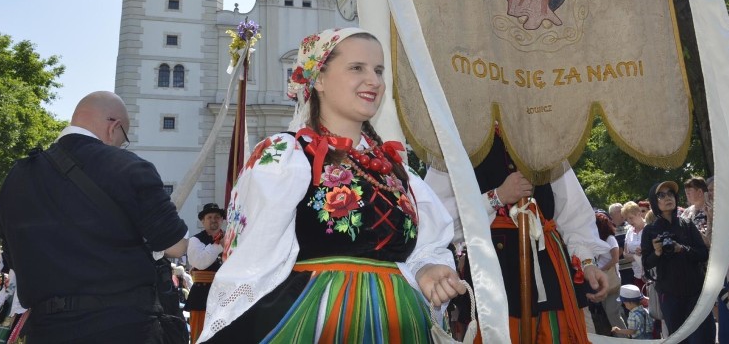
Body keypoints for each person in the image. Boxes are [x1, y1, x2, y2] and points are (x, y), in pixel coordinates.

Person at [198, 28, 465, 343]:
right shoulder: (287, 155)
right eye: (357, 68)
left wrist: (427, 269)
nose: (375, 81)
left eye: (378, 70)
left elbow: (426, 246)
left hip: (401, 322)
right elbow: (253, 258)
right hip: (317, 318)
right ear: (319, 79)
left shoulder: (396, 169)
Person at [0, 91, 188, 344]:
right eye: (124, 138)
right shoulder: (127, 166)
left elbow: (11, 257)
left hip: (45, 331)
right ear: (114, 127)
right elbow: (174, 246)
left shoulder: (16, 177)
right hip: (122, 327)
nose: (122, 144)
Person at [425, 130, 610, 343]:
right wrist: (496, 197)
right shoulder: (458, 140)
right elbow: (439, 220)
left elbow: (573, 212)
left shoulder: (541, 138)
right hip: (493, 275)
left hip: (551, 271)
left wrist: (587, 263)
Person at [641, 180, 714, 344]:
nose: (668, 198)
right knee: (680, 339)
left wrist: (682, 249)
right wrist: (658, 252)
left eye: (671, 194)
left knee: (704, 337)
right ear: (654, 201)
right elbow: (646, 264)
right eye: (661, 195)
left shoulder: (687, 224)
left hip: (695, 292)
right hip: (670, 296)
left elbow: (703, 254)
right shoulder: (650, 230)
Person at [184, 203, 225, 343]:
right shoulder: (195, 240)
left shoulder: (230, 238)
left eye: (217, 217)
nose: (214, 220)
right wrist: (219, 245)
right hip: (202, 295)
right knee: (200, 336)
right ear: (203, 221)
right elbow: (200, 263)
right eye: (210, 217)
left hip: (224, 294)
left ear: (222, 220)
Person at [621, 201, 646, 289]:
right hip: (637, 274)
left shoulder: (649, 228)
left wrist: (635, 255)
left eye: (631, 218)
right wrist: (636, 256)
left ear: (639, 214)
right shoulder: (629, 231)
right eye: (627, 219)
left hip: (651, 274)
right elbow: (625, 254)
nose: (629, 221)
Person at [681, 176, 709, 244]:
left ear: (699, 192)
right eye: (686, 193)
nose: (687, 195)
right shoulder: (686, 212)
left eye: (689, 192)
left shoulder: (712, 210)